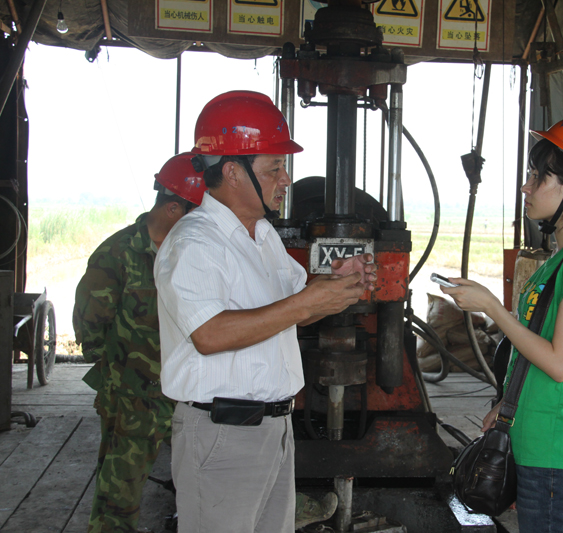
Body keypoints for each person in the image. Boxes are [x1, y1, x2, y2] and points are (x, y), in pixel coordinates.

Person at [154, 90, 377, 533]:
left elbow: (296, 310)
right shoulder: (194, 242)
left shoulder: (262, 235)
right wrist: (307, 301)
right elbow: (209, 335)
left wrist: (333, 287)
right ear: (232, 172)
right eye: (274, 168)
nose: (286, 179)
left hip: (273, 428)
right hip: (223, 434)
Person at [440, 112, 563, 533]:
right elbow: (535, 349)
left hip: (556, 444)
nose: (526, 187)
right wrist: (508, 407)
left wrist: (493, 308)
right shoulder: (562, 258)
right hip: (535, 434)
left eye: (539, 177)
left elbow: (559, 362)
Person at [74, 153, 207, 533]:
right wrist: (116, 375)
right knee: (119, 497)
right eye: (197, 214)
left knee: (207, 482)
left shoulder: (191, 252)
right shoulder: (118, 254)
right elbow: (90, 322)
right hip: (133, 398)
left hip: (187, 392)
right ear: (172, 208)